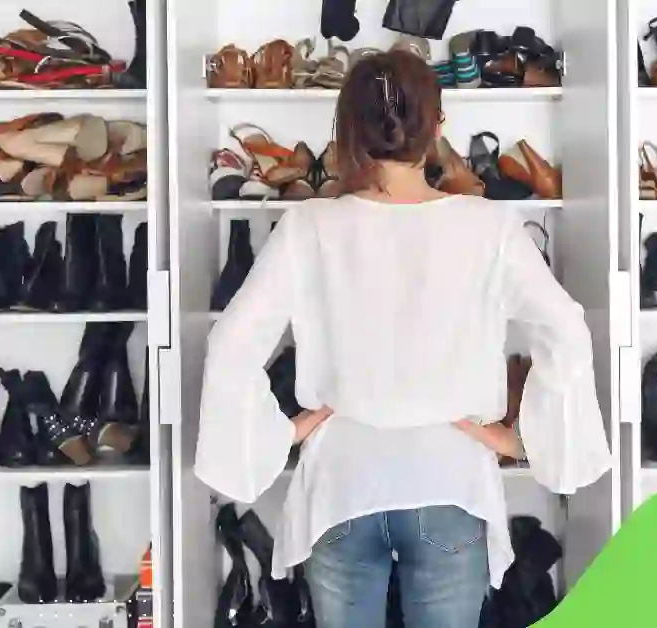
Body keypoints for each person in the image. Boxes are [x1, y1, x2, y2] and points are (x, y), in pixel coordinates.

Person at [194, 50, 611, 628]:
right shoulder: (489, 226)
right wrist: (526, 442)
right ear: (439, 127)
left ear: (349, 130)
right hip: (450, 480)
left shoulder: (309, 225)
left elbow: (231, 343)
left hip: (340, 483)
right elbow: (564, 326)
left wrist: (283, 433)